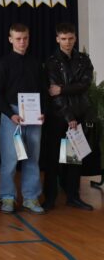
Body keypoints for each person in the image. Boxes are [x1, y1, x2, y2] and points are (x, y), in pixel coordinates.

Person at [0, 24, 45, 214]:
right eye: (18, 38)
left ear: (29, 39)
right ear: (10, 39)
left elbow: (43, 91)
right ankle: (8, 197)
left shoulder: (36, 63)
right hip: (12, 115)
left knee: (32, 158)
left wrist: (43, 111)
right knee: (10, 159)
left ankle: (30, 197)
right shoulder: (3, 64)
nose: (22, 42)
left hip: (34, 115)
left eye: (25, 38)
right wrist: (11, 114)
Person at [44, 23, 95, 211]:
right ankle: (50, 198)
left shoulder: (83, 60)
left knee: (74, 158)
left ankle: (73, 196)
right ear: (58, 39)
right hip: (59, 116)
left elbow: (85, 84)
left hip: (79, 114)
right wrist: (68, 116)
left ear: (75, 38)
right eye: (64, 39)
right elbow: (53, 92)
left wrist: (63, 89)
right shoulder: (51, 62)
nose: (67, 42)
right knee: (53, 159)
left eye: (71, 38)